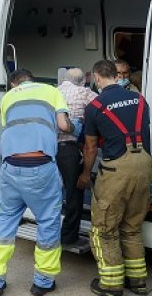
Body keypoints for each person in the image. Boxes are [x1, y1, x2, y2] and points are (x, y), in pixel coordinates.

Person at [0, 69, 73, 296]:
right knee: (48, 222)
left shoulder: (7, 98)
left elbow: (13, 130)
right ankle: (42, 282)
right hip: (40, 167)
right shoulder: (51, 91)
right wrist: (74, 127)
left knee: (4, 222)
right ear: (33, 79)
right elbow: (63, 126)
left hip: (11, 169)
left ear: (15, 83)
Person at [79, 59, 152, 296]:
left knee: (105, 229)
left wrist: (84, 174)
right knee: (131, 227)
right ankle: (138, 282)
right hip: (144, 164)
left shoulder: (95, 107)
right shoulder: (141, 100)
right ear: (115, 75)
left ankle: (110, 285)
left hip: (116, 171)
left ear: (98, 78)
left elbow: (91, 148)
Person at [57, 66, 97, 250]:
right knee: (74, 192)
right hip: (69, 149)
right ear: (83, 80)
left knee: (54, 192)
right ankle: (69, 236)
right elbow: (101, 107)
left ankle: (51, 231)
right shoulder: (84, 92)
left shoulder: (54, 91)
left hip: (49, 148)